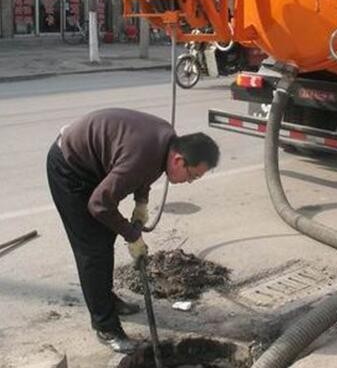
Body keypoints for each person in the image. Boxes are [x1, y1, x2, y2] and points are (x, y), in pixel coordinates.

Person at [46, 108, 220, 353]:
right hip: (70, 168)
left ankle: (105, 298)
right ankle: (105, 326)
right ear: (179, 160)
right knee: (93, 250)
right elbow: (99, 205)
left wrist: (141, 203)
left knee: (106, 235)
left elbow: (145, 171)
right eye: (192, 176)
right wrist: (132, 235)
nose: (190, 181)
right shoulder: (144, 155)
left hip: (95, 165)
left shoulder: (166, 143)